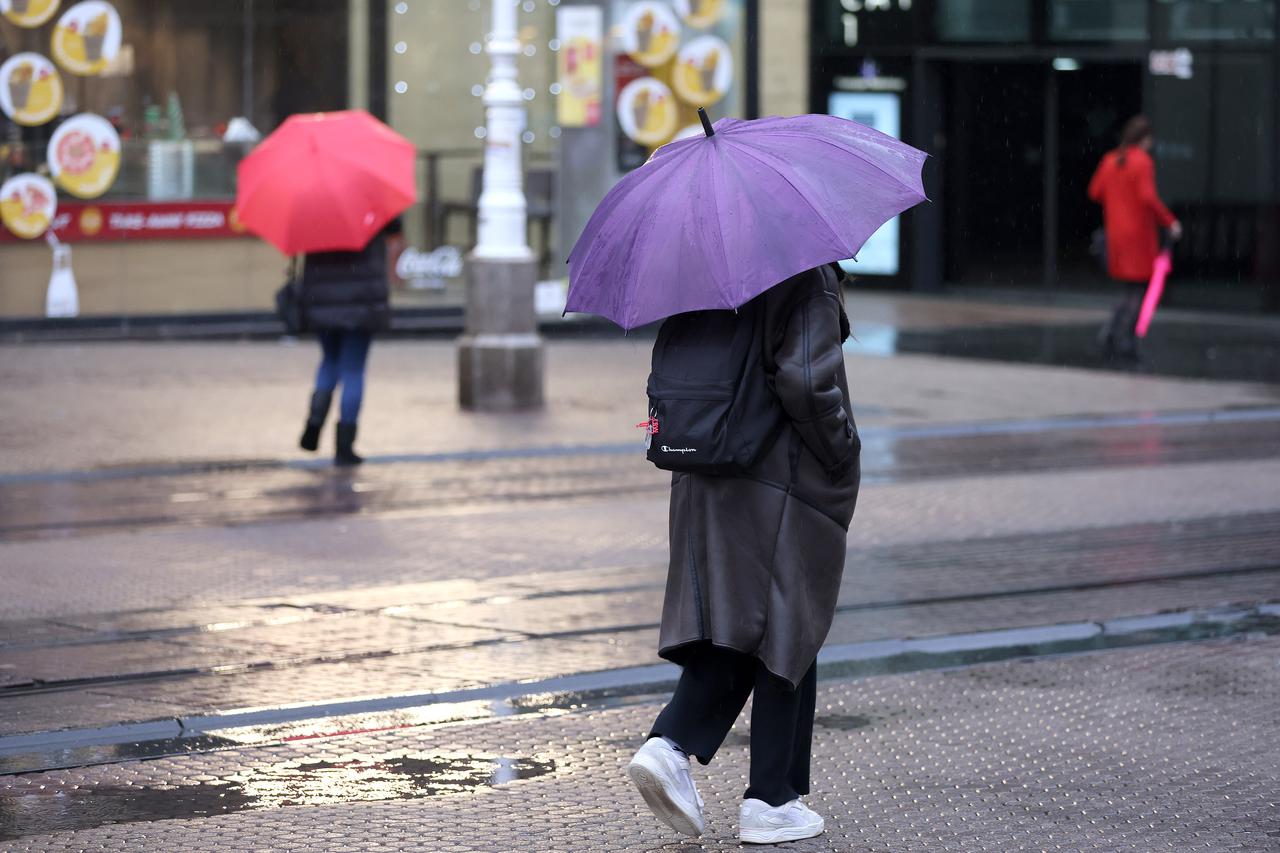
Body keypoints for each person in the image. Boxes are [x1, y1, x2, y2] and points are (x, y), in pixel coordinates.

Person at [627, 263, 860, 845]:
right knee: (779, 618)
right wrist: (842, 448)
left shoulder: (700, 268)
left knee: (778, 620)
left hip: (705, 464)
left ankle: (775, 796)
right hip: (779, 476)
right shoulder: (802, 271)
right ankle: (675, 743)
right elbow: (807, 380)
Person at [296, 218, 399, 466]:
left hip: (321, 297)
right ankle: (344, 446)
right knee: (353, 369)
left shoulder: (313, 205)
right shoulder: (374, 201)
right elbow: (395, 234)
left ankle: (314, 424)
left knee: (329, 361)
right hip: (361, 300)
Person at [1088, 115, 1181, 365]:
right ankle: (1124, 337)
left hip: (1116, 235)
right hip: (1138, 236)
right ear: (1145, 139)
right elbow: (1148, 197)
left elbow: (1095, 191)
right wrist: (1170, 221)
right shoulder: (1142, 163)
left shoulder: (1110, 161)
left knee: (1129, 288)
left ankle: (1112, 332)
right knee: (1138, 289)